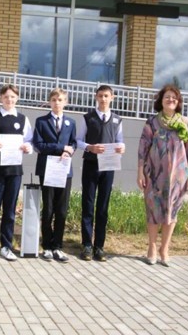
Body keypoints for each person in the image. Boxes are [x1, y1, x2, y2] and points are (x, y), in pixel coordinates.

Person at [137, 84, 188, 267]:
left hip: (178, 176)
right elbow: (142, 149)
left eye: (174, 97)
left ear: (178, 102)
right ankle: (152, 247)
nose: (171, 100)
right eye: (167, 97)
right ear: (161, 101)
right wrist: (140, 172)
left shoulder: (185, 122)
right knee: (153, 210)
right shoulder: (152, 122)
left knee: (172, 211)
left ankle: (165, 249)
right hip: (154, 174)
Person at [0, 84, 33, 262]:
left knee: (10, 210)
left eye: (12, 97)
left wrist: (27, 147)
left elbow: (29, 141)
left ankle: (6, 246)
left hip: (15, 170)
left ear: (17, 98)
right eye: (6, 97)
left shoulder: (23, 119)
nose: (9, 100)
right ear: (0, 98)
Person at [76, 85, 125, 262]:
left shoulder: (117, 119)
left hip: (108, 167)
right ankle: (87, 245)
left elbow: (120, 141)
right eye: (100, 96)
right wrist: (90, 147)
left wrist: (122, 148)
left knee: (103, 207)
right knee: (88, 205)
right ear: (96, 97)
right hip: (91, 165)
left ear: (112, 97)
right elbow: (78, 141)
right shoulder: (88, 118)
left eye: (106, 96)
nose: (103, 99)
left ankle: (99, 246)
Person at [32, 88, 77, 263]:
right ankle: (47, 246)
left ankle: (58, 246)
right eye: (54, 100)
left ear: (66, 102)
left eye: (60, 100)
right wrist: (60, 148)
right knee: (48, 208)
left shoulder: (71, 122)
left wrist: (69, 151)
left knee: (62, 209)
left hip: (64, 170)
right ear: (49, 102)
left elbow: (73, 143)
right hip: (48, 169)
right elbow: (38, 145)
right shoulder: (41, 121)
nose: (57, 103)